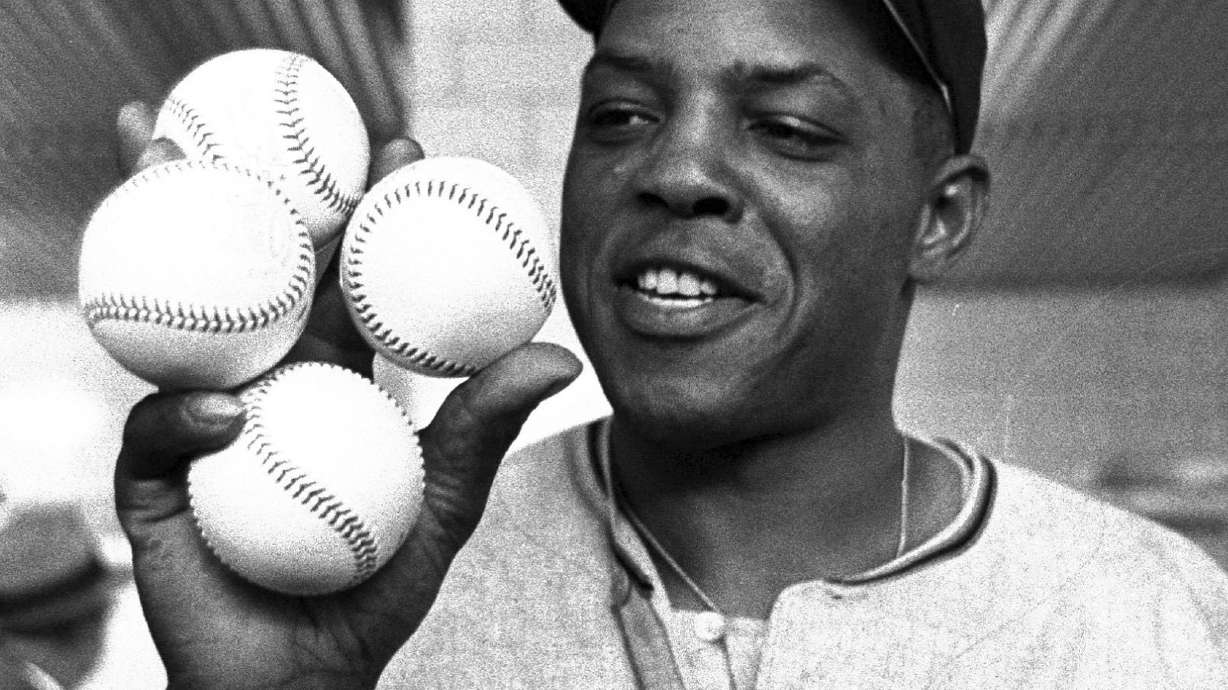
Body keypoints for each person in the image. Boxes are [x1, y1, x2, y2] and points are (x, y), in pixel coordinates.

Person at [112, 0, 1228, 687]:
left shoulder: (1152, 621)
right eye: (622, 114)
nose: (673, 171)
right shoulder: (384, 587)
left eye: (786, 128)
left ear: (938, 216)